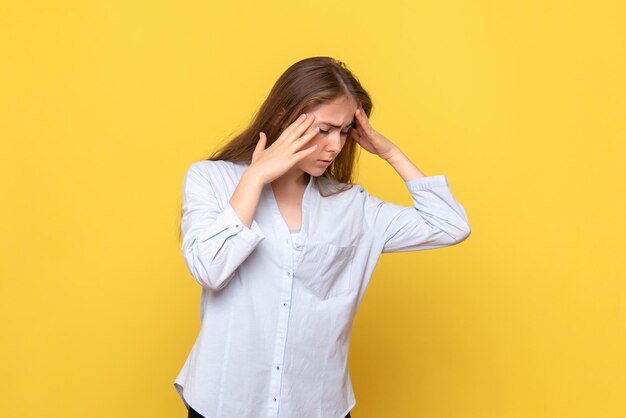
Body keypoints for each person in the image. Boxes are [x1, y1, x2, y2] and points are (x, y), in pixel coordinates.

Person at [173, 56, 471, 418]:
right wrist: (255, 177)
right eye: (325, 130)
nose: (335, 146)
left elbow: (451, 224)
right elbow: (209, 268)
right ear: (285, 118)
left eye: (345, 132)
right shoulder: (211, 180)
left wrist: (389, 152)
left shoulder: (354, 208)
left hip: (315, 407)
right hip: (223, 402)